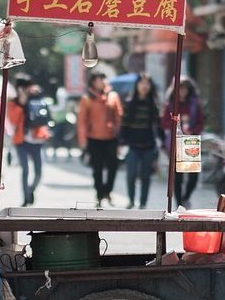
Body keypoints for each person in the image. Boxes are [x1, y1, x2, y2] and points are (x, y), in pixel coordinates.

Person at [77, 72, 123, 208]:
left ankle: (108, 191)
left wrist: (118, 133)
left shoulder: (113, 96)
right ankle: (99, 194)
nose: (100, 82)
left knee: (113, 166)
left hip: (111, 138)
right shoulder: (87, 98)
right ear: (92, 82)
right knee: (97, 168)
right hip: (94, 138)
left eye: (102, 79)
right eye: (97, 80)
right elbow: (82, 121)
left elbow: (119, 115)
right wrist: (82, 139)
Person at [161, 76, 205, 208]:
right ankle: (179, 203)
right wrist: (176, 124)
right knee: (178, 176)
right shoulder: (170, 104)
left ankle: (186, 198)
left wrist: (192, 130)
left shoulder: (194, 104)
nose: (182, 91)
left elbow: (201, 123)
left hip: (190, 141)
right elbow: (163, 122)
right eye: (179, 88)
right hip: (176, 141)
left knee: (193, 177)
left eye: (184, 88)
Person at [120, 74, 162, 209]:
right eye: (142, 83)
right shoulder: (129, 103)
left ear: (150, 87)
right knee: (131, 175)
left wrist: (163, 142)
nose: (144, 86)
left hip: (148, 145)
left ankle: (143, 203)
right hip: (132, 145)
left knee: (146, 176)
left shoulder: (153, 104)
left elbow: (158, 125)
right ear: (137, 85)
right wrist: (121, 142)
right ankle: (131, 200)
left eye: (147, 84)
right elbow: (124, 124)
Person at [9, 77, 51, 206]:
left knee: (38, 171)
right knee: (25, 170)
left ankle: (31, 190)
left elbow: (44, 113)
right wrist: (22, 103)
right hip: (21, 141)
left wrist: (37, 95)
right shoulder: (14, 103)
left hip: (37, 140)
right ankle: (26, 197)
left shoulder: (37, 97)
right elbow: (13, 120)